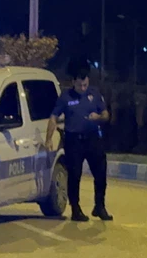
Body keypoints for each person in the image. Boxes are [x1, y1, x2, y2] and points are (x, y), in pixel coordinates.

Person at [46, 61, 112, 222]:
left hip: (93, 139)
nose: (83, 88)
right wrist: (48, 139)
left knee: (101, 173)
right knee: (74, 175)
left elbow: (106, 114)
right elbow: (53, 117)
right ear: (73, 82)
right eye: (80, 85)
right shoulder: (65, 97)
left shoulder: (94, 94)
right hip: (74, 141)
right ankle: (75, 209)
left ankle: (99, 206)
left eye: (85, 85)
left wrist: (99, 117)